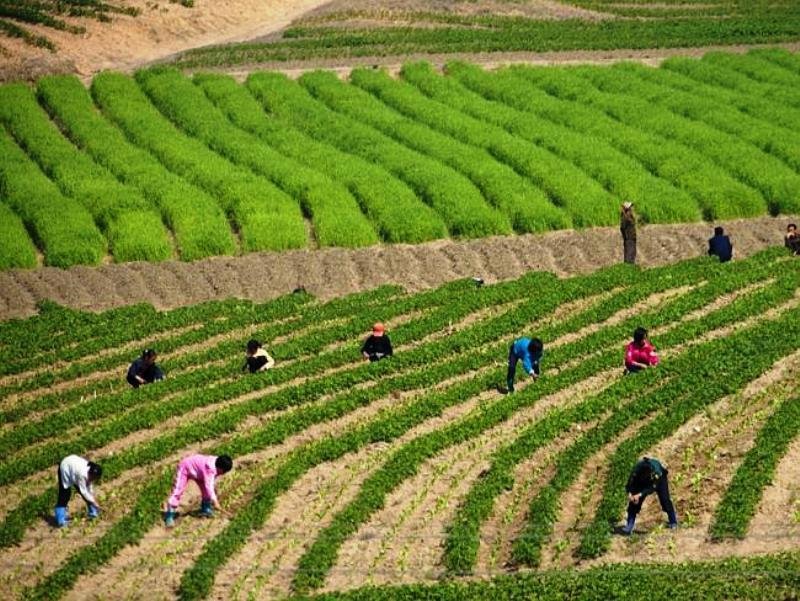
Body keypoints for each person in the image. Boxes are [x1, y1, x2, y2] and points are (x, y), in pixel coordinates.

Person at [163, 454, 233, 527]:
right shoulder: (210, 469)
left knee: (206, 491)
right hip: (186, 467)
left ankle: (206, 509)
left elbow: (208, 486)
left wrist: (213, 499)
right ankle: (169, 515)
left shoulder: (217, 463)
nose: (223, 474)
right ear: (220, 468)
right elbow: (209, 486)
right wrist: (215, 502)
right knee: (178, 490)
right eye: (223, 472)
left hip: (199, 473)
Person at [622, 456, 677, 534]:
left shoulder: (656, 472)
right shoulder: (636, 471)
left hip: (660, 481)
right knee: (633, 503)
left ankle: (673, 521)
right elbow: (629, 484)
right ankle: (629, 526)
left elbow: (651, 488)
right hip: (642, 483)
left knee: (665, 500)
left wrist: (640, 494)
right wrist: (630, 494)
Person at [54, 455, 102, 527]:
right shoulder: (82, 474)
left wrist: (93, 499)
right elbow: (84, 492)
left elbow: (89, 488)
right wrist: (94, 502)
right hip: (65, 467)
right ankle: (60, 519)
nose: (92, 479)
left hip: (73, 468)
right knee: (65, 494)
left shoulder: (91, 472)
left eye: (94, 478)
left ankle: (93, 512)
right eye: (92, 477)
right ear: (90, 473)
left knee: (87, 494)